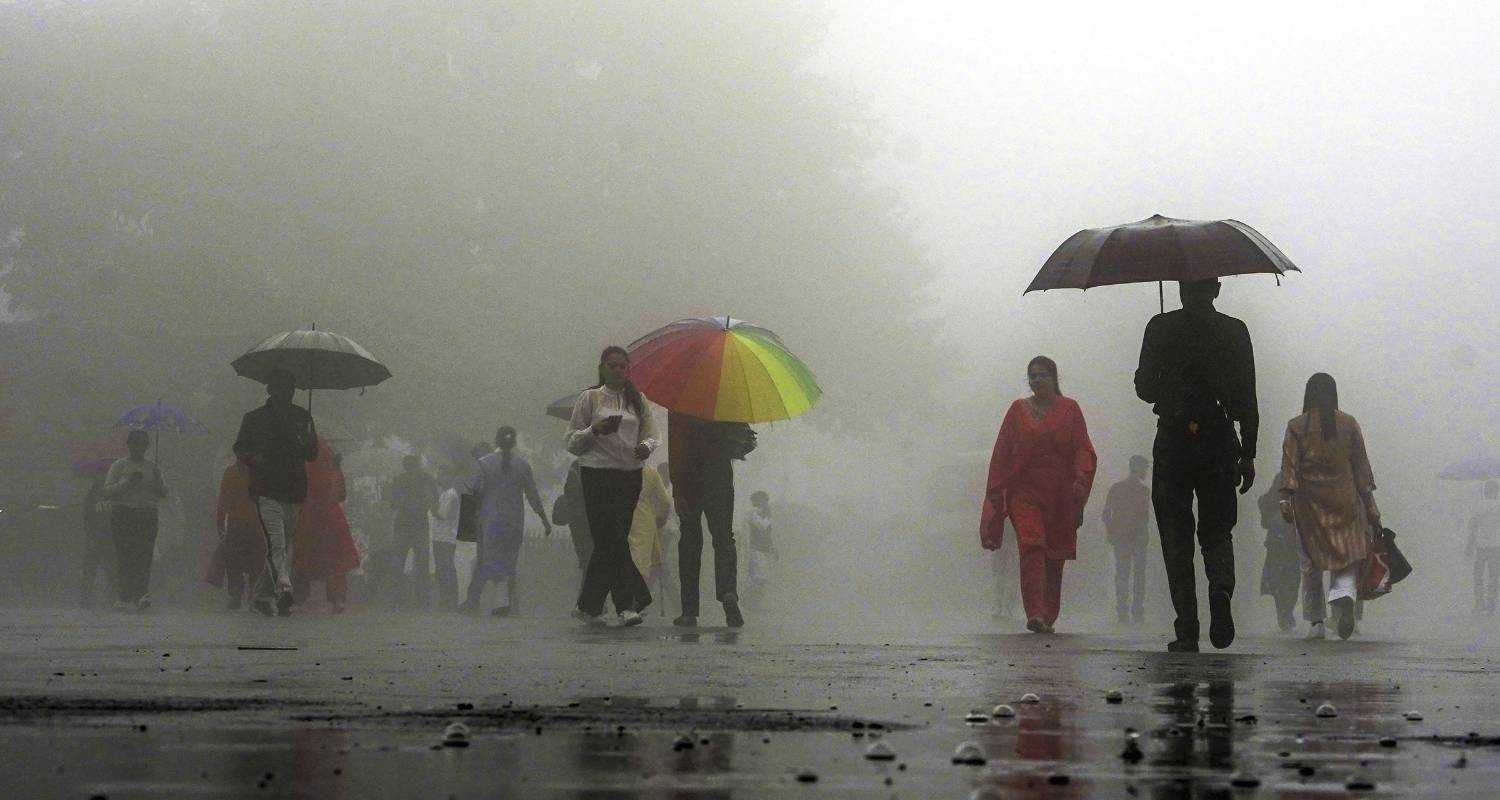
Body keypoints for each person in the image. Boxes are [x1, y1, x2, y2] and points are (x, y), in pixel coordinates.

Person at [1134, 278, 1258, 652]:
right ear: (1216, 289)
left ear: (1179, 290)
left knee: (1176, 536)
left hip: (1173, 440)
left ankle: (1187, 626)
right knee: (1218, 531)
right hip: (1218, 441)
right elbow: (1246, 396)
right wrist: (1248, 453)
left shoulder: (1160, 326)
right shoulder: (1234, 331)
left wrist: (1162, 382)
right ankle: (1220, 591)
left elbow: (1144, 388)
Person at [982, 356, 1098, 634]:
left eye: (1042, 375)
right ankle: (1034, 612)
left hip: (1060, 494)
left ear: (1054, 378)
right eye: (1032, 376)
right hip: (1024, 492)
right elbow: (1002, 453)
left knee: (1054, 554)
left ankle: (1048, 615)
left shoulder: (1070, 409)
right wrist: (996, 492)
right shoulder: (1017, 410)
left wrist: (1080, 481)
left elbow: (1082, 449)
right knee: (1032, 545)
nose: (1036, 381)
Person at [1278, 373, 1380, 641]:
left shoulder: (1296, 426)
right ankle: (1343, 597)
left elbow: (1289, 465)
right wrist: (1371, 508)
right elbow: (1362, 469)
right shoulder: (1348, 424)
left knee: (1310, 563)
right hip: (1345, 501)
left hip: (1308, 505)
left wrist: (1285, 497)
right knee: (1346, 558)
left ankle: (1316, 623)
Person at [566, 346, 659, 627]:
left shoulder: (637, 400)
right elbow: (571, 441)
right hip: (596, 473)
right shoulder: (589, 398)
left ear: (628, 370)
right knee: (610, 538)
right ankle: (628, 605)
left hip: (629, 474)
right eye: (612, 366)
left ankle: (589, 606)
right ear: (602, 368)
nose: (618, 371)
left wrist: (645, 447)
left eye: (623, 366)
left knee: (614, 539)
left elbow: (652, 436)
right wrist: (595, 430)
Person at [234, 368, 319, 617]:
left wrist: (306, 439)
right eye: (282, 387)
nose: (287, 393)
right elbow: (240, 448)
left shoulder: (303, 417)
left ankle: (261, 596)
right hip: (266, 487)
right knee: (278, 542)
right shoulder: (254, 418)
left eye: (291, 388)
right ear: (270, 390)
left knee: (283, 543)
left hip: (294, 488)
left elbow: (312, 454)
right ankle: (284, 590)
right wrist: (254, 458)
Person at [669, 412, 756, 628]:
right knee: (724, 538)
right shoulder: (726, 399)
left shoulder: (680, 403)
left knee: (690, 540)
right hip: (719, 477)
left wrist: (676, 489)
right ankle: (728, 592)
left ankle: (689, 611)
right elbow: (745, 442)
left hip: (688, 478)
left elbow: (675, 447)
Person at [460, 427, 550, 616]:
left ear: (496, 441)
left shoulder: (484, 463)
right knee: (510, 562)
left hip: (490, 520)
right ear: (514, 442)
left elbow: (475, 490)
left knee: (488, 561)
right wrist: (544, 519)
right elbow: (533, 495)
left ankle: (493, 602)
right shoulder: (523, 465)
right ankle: (510, 604)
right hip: (514, 521)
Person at [101, 430, 168, 611]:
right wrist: (128, 482)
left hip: (147, 514)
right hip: (123, 513)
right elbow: (107, 491)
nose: (138, 449)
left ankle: (141, 594)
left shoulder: (153, 468)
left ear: (146, 447)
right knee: (125, 554)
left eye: (142, 445)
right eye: (135, 444)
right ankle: (124, 595)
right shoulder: (119, 466)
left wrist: (154, 482)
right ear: (129, 446)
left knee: (144, 555)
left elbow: (163, 492)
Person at [291, 444, 360, 613]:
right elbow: (342, 495)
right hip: (332, 518)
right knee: (336, 561)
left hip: (308, 517)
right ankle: (338, 599)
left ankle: (299, 599)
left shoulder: (302, 470)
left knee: (304, 558)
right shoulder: (333, 471)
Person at [203, 459, 265, 610]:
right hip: (244, 522)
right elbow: (224, 498)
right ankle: (242, 594)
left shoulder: (240, 472)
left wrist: (220, 520)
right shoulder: (236, 472)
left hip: (250, 523)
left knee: (248, 560)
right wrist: (220, 519)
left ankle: (245, 594)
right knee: (241, 561)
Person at [1101, 455, 1152, 625]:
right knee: (1138, 576)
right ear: (1139, 468)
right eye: (1145, 468)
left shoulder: (1117, 488)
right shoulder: (1143, 491)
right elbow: (1144, 517)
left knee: (1123, 575)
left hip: (1122, 538)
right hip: (1137, 539)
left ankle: (1122, 612)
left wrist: (1111, 532)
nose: (1146, 471)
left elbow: (1106, 513)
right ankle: (1136, 612)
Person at [385, 454, 438, 609]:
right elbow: (394, 502)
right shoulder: (423, 479)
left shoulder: (403, 480)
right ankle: (417, 600)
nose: (411, 470)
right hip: (414, 524)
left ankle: (402, 599)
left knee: (402, 563)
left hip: (408, 525)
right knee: (417, 563)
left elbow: (393, 503)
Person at [1257, 470, 1302, 631]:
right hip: (1291, 538)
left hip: (1279, 538)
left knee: (1278, 577)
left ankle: (1284, 612)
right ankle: (1286, 612)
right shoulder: (1303, 477)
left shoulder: (1283, 477)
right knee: (1292, 577)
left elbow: (1265, 501)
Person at [628, 458, 673, 615]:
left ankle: (638, 600)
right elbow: (665, 505)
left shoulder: (621, 473)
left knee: (653, 565)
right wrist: (661, 519)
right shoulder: (652, 475)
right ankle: (639, 600)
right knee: (652, 565)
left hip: (638, 525)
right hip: (651, 527)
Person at [78, 472, 112, 607]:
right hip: (100, 536)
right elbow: (87, 518)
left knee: (95, 568)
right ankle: (87, 597)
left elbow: (87, 518)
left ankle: (87, 597)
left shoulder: (93, 495)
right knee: (96, 568)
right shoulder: (93, 496)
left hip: (102, 536)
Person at [1468, 480, 1500, 616]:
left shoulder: (1478, 506)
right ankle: (1491, 605)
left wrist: (1469, 545)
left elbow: (1473, 527)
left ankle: (1479, 604)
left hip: (1481, 547)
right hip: (1496, 547)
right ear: (1496, 492)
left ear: (1485, 491)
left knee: (1478, 577)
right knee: (1494, 576)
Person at [744, 490, 777, 610]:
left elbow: (768, 533)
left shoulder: (766, 514)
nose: (766, 503)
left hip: (764, 549)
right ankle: (747, 601)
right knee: (758, 577)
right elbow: (762, 526)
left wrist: (772, 547)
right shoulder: (752, 514)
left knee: (763, 577)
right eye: (763, 501)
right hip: (755, 549)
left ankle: (755, 603)